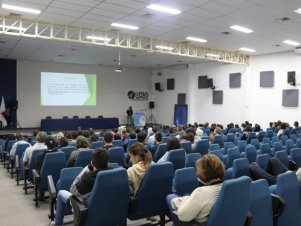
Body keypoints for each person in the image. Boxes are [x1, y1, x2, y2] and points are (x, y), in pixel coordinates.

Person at [51, 148, 111, 226]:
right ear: (107, 162)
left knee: (61, 193)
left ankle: (58, 224)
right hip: (106, 206)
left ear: (92, 163)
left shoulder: (88, 177)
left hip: (85, 207)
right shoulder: (113, 174)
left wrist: (86, 170)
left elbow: (73, 191)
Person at [166, 154, 225, 224]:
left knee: (170, 197)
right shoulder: (228, 187)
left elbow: (183, 216)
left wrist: (183, 200)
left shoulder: (201, 192)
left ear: (201, 173)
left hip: (198, 222)